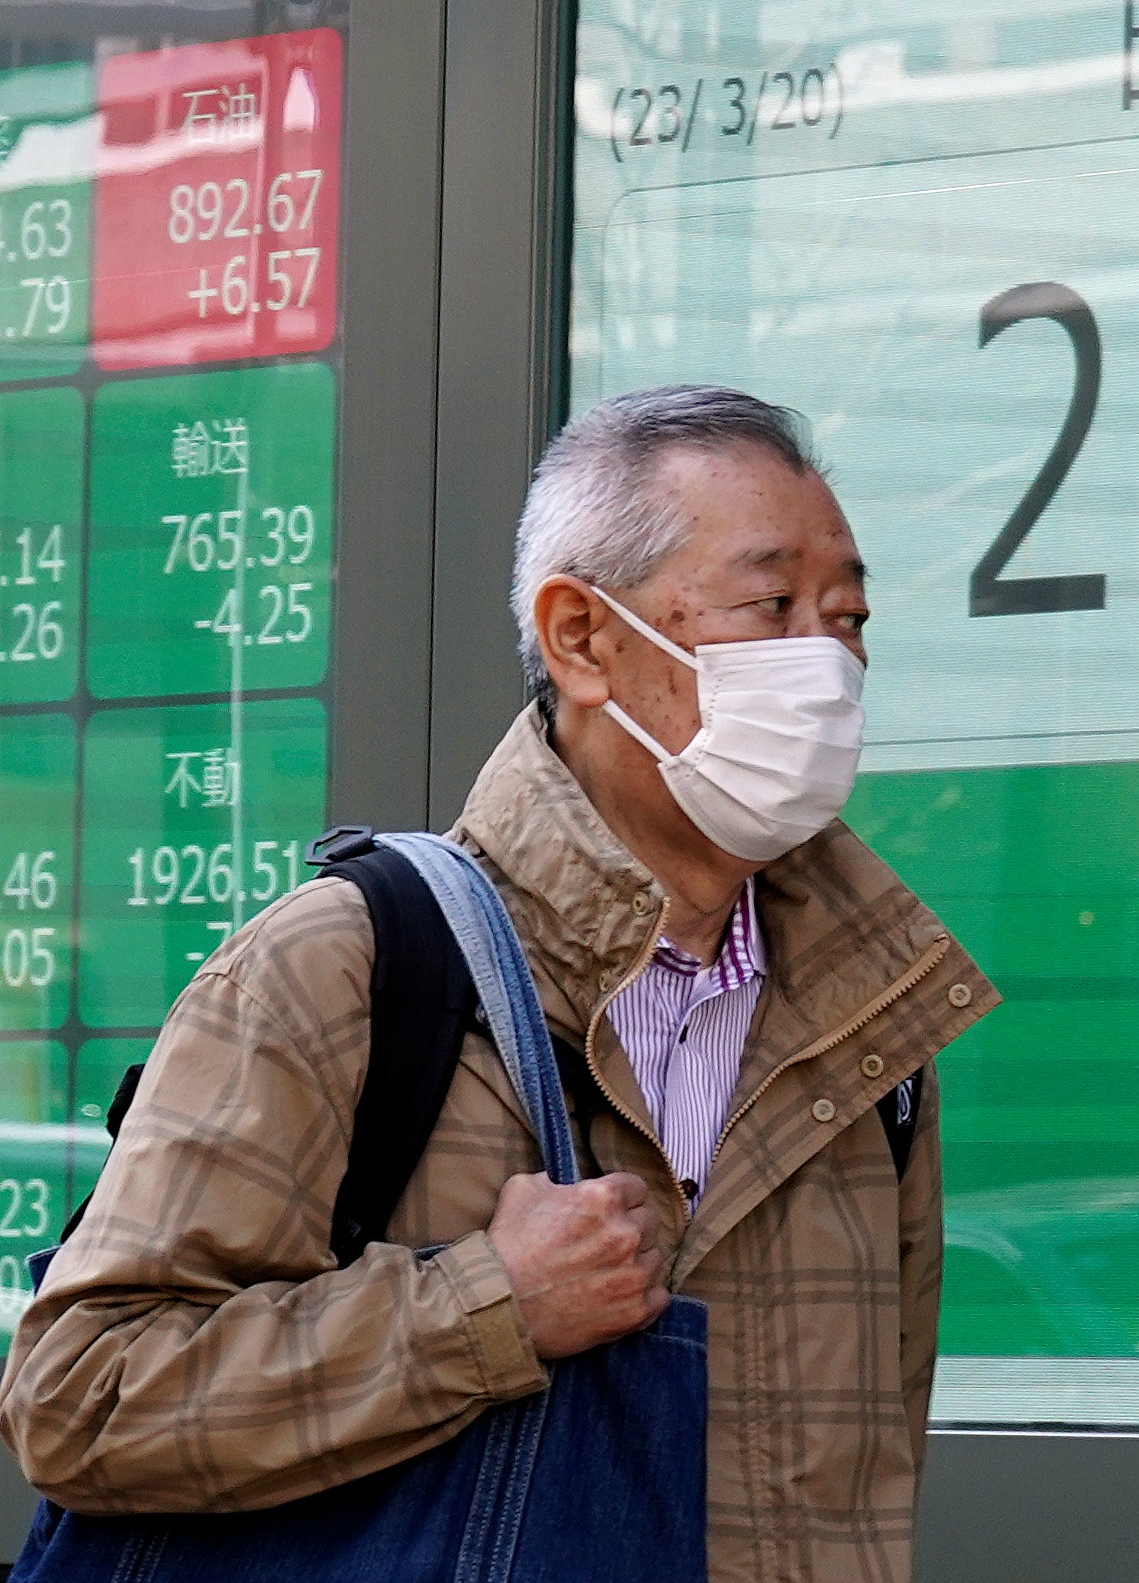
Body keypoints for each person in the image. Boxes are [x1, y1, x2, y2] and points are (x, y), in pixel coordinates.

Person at [0, 386, 998, 1583]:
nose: (827, 665)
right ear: (582, 637)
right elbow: (83, 1399)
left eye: (847, 617)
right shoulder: (351, 966)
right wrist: (484, 1308)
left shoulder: (867, 1040)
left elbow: (860, 1504)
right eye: (771, 604)